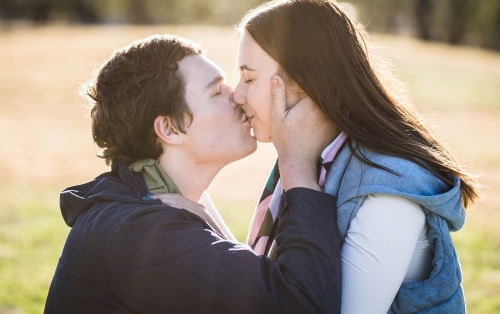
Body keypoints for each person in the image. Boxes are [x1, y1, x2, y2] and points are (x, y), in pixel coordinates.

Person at [44, 34, 342, 313]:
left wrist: (206, 221)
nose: (238, 97)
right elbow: (300, 303)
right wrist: (296, 164)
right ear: (170, 128)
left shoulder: (141, 210)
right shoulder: (142, 233)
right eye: (216, 91)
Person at [232, 0, 481, 314]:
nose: (237, 95)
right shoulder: (314, 157)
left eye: (248, 78)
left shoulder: (388, 187)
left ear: (304, 82)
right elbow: (274, 282)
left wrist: (296, 165)